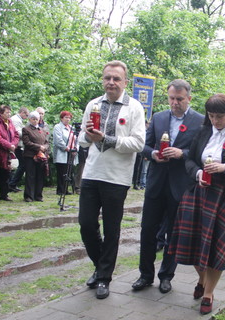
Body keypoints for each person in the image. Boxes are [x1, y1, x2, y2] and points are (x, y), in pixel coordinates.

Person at [168, 93, 225, 315]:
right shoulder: (202, 132)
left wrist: (224, 167)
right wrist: (197, 172)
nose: (215, 121)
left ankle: (208, 292)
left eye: (220, 116)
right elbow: (189, 159)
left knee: (217, 248)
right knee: (195, 244)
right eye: (212, 116)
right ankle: (202, 279)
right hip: (199, 193)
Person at [78, 60, 145, 300]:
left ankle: (104, 277)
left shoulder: (134, 107)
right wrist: (86, 137)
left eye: (116, 79)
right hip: (92, 173)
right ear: (103, 79)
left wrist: (107, 138)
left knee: (112, 229)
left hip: (117, 178)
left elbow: (138, 144)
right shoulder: (93, 104)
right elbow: (82, 141)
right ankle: (100, 266)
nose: (111, 82)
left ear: (125, 82)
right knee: (86, 224)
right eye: (107, 78)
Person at [132, 79, 204, 294]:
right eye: (171, 98)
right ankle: (145, 275)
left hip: (179, 184)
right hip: (156, 182)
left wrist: (183, 153)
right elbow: (143, 145)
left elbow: (201, 153)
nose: (174, 103)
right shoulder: (159, 117)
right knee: (148, 231)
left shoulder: (200, 122)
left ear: (189, 98)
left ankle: (166, 276)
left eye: (179, 99)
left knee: (173, 232)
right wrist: (153, 154)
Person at [0, 105, 19, 202]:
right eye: (7, 112)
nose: (9, 114)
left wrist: (13, 145)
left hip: (8, 153)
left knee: (6, 174)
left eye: (10, 112)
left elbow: (16, 135)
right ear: (1, 113)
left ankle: (4, 194)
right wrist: (8, 145)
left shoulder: (10, 122)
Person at [22, 111, 49, 202]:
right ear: (29, 119)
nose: (35, 121)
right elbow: (27, 142)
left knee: (40, 176)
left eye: (36, 119)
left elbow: (46, 142)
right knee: (30, 176)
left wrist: (44, 148)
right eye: (33, 119)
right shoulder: (26, 129)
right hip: (30, 155)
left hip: (41, 156)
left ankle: (38, 195)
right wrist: (39, 147)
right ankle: (29, 196)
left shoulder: (42, 130)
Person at [52, 111, 77, 195]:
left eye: (69, 118)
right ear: (61, 118)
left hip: (71, 152)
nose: (68, 119)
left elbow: (75, 138)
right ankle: (60, 190)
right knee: (62, 171)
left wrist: (74, 148)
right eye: (66, 117)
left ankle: (65, 189)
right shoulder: (58, 127)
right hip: (62, 152)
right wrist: (66, 148)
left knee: (68, 171)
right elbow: (58, 140)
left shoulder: (71, 127)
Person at [8, 107, 29, 192]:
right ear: (22, 112)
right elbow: (18, 133)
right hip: (18, 145)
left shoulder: (17, 119)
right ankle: (12, 184)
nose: (26, 117)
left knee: (21, 165)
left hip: (18, 145)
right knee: (22, 165)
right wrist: (27, 134)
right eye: (26, 115)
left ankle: (12, 184)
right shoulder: (16, 120)